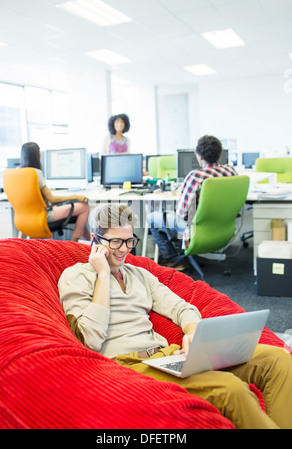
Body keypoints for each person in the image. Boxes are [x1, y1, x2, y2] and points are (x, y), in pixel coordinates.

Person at [58, 203, 292, 429]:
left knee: (277, 359)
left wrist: (193, 334)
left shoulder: (140, 274)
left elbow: (182, 308)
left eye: (129, 241)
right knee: (230, 388)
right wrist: (102, 274)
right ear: (96, 242)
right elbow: (91, 337)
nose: (124, 250)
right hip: (129, 365)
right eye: (116, 241)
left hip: (166, 356)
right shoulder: (77, 276)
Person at [147, 135, 238, 269]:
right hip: (223, 227)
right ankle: (180, 254)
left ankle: (171, 258)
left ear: (199, 156)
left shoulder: (195, 177)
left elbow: (182, 215)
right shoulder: (230, 171)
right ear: (220, 154)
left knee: (151, 217)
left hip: (196, 229)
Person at [20, 142, 90, 242]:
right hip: (44, 216)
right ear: (38, 154)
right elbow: (52, 199)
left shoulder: (17, 174)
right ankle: (73, 243)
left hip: (23, 219)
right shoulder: (35, 173)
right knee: (84, 207)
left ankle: (88, 243)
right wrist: (75, 196)